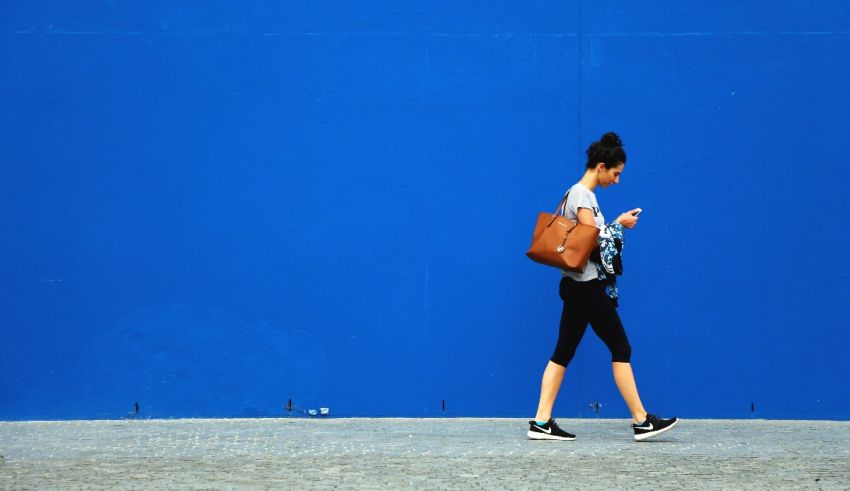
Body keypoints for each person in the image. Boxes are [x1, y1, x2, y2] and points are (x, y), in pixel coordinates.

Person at [526, 132, 678, 442]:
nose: (617, 180)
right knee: (620, 347)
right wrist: (619, 224)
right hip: (586, 287)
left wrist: (614, 225)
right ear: (601, 166)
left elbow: (590, 239)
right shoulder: (583, 195)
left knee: (563, 353)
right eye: (616, 173)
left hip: (575, 286)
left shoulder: (579, 194)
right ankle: (641, 421)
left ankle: (541, 422)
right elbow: (590, 241)